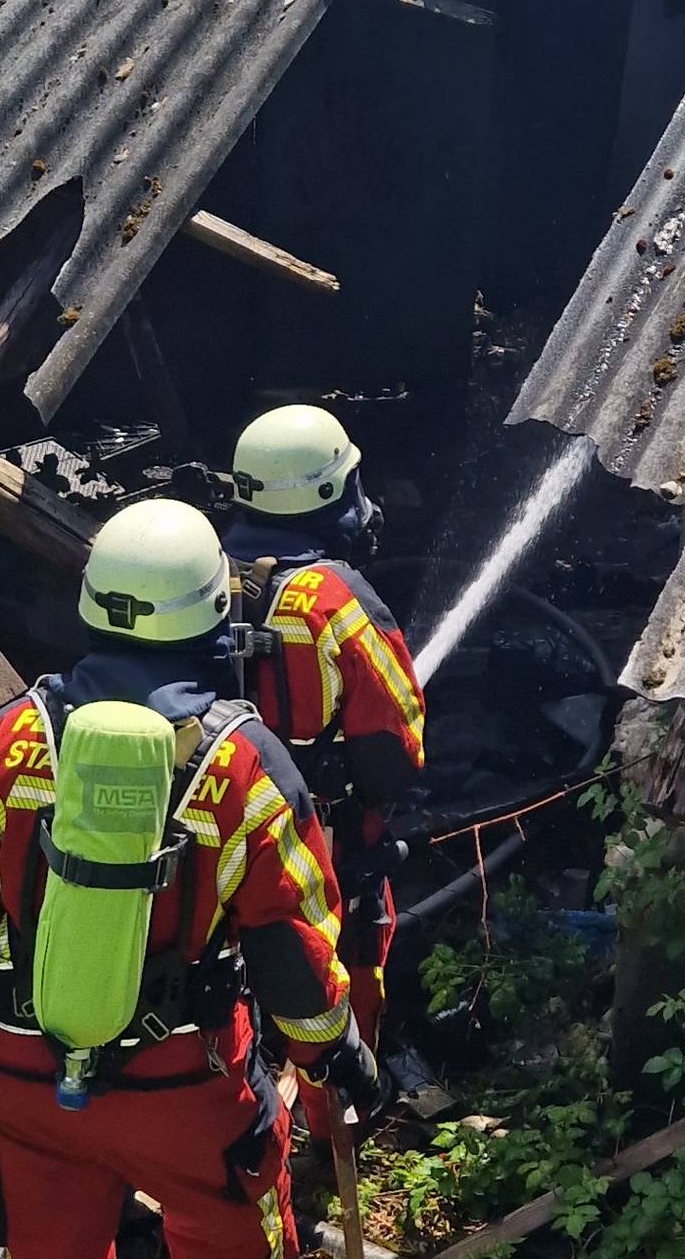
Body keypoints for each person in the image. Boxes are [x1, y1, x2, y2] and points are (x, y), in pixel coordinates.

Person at [0, 499, 381, 1259]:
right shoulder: (245, 764)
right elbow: (293, 949)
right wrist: (333, 1055)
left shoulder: (9, 740)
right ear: (216, 614)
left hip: (24, 1080)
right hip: (185, 1087)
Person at [221, 405, 428, 1048]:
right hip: (328, 844)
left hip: (215, 829)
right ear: (331, 493)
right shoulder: (336, 600)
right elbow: (398, 751)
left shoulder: (197, 577)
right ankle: (342, 1111)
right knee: (337, 967)